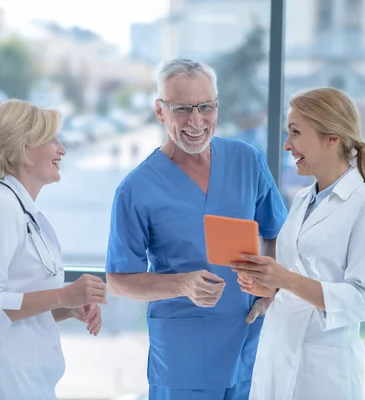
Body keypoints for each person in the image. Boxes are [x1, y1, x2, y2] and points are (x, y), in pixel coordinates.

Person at [105, 58, 288, 399]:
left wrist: (270, 289)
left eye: (206, 107)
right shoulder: (136, 189)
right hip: (183, 353)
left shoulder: (246, 161)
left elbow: (277, 231)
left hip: (249, 342)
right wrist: (182, 284)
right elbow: (118, 280)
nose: (196, 121)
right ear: (160, 112)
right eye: (182, 109)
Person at [230, 87, 365, 400]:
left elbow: (362, 300)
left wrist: (284, 279)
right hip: (277, 352)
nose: (287, 145)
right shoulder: (304, 199)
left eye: (295, 133)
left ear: (331, 138)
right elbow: (297, 277)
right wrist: (269, 288)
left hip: (323, 370)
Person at [0, 99, 107, 400]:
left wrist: (68, 307)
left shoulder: (20, 210)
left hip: (26, 380)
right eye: (52, 140)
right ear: (23, 149)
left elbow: (19, 306)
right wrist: (63, 294)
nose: (62, 150)